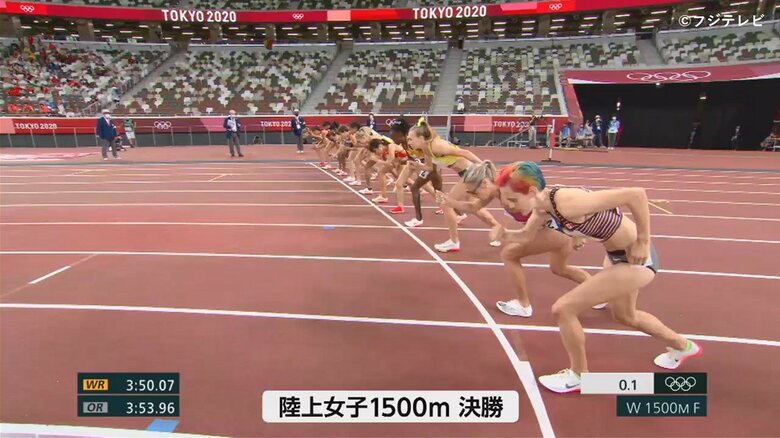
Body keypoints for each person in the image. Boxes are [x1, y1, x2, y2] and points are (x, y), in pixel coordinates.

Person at [491, 161, 702, 393]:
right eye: (505, 200)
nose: (509, 206)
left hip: (636, 259)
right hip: (617, 256)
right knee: (626, 316)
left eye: (513, 199)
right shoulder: (542, 209)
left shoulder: (566, 202)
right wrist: (505, 234)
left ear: (532, 191)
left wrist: (643, 241)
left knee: (563, 309)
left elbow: (636, 194)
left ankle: (579, 375)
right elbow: (525, 236)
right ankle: (683, 346)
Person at [440, 161, 601, 318]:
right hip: (553, 231)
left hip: (556, 231)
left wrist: (579, 234)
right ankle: (599, 293)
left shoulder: (512, 188)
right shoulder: (496, 192)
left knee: (509, 254)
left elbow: (553, 199)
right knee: (559, 269)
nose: (471, 196)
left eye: (473, 193)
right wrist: (449, 202)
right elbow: (473, 207)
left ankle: (523, 305)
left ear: (484, 184)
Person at [407, 119, 501, 251]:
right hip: (465, 174)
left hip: (470, 172)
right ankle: (498, 229)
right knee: (474, 206)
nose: (409, 142)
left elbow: (466, 153)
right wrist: (417, 165)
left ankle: (454, 241)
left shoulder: (437, 146)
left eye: (411, 139)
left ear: (421, 138)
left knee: (446, 204)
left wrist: (484, 168)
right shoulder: (426, 149)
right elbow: (429, 167)